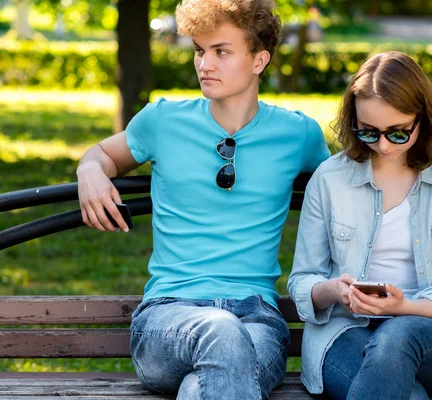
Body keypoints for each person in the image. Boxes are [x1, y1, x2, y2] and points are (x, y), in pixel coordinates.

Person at [76, 0, 330, 398]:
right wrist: (89, 170)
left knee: (201, 388)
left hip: (257, 319)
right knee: (219, 330)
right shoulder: (162, 121)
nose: (204, 65)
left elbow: (345, 188)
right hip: (167, 316)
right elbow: (103, 154)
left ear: (259, 60)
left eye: (221, 51)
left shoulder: (298, 134)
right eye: (199, 50)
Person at [287, 51, 432, 399]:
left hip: (429, 332)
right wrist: (336, 290)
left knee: (397, 336)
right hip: (345, 331)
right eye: (368, 132)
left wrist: (401, 308)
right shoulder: (330, 179)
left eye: (397, 133)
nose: (382, 145)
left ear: (423, 119)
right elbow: (303, 279)